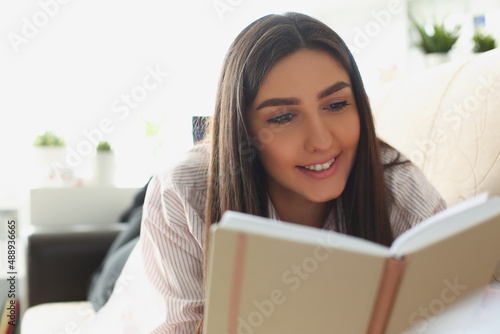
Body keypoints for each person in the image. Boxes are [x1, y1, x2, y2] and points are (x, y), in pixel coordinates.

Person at [86, 12, 446, 333]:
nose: (321, 141)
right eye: (283, 117)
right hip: (145, 272)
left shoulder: (395, 181)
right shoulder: (181, 188)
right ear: (244, 130)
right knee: (109, 272)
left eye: (336, 104)